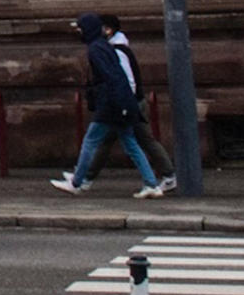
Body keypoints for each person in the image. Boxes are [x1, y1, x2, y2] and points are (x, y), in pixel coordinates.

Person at [50, 11, 163, 197]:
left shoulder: (96, 49)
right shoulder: (103, 46)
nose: (78, 32)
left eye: (80, 28)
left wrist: (115, 102)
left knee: (91, 140)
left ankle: (77, 183)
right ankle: (151, 184)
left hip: (111, 104)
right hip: (120, 102)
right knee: (131, 143)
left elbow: (111, 77)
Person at [91, 15, 175, 195]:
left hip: (128, 103)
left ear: (108, 30)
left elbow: (127, 80)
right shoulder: (116, 48)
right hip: (131, 101)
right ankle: (167, 176)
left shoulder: (117, 51)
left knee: (111, 140)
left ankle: (83, 178)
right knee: (137, 139)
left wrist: (123, 103)